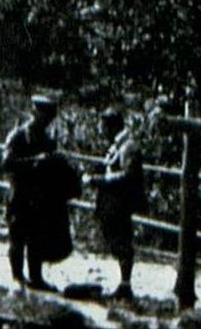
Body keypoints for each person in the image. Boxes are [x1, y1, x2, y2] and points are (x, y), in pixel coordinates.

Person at [1, 94, 80, 292]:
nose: (45, 121)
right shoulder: (17, 136)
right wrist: (35, 162)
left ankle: (36, 278)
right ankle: (17, 278)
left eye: (49, 118)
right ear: (34, 113)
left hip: (39, 199)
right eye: (42, 116)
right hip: (20, 194)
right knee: (17, 238)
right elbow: (6, 163)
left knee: (36, 239)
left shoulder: (47, 140)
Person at [85, 107, 148, 301]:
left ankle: (125, 285)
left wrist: (99, 180)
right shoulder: (118, 145)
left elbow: (128, 175)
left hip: (121, 203)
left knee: (122, 242)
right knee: (115, 241)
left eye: (104, 126)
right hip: (112, 203)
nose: (101, 131)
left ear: (111, 126)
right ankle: (123, 285)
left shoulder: (128, 146)